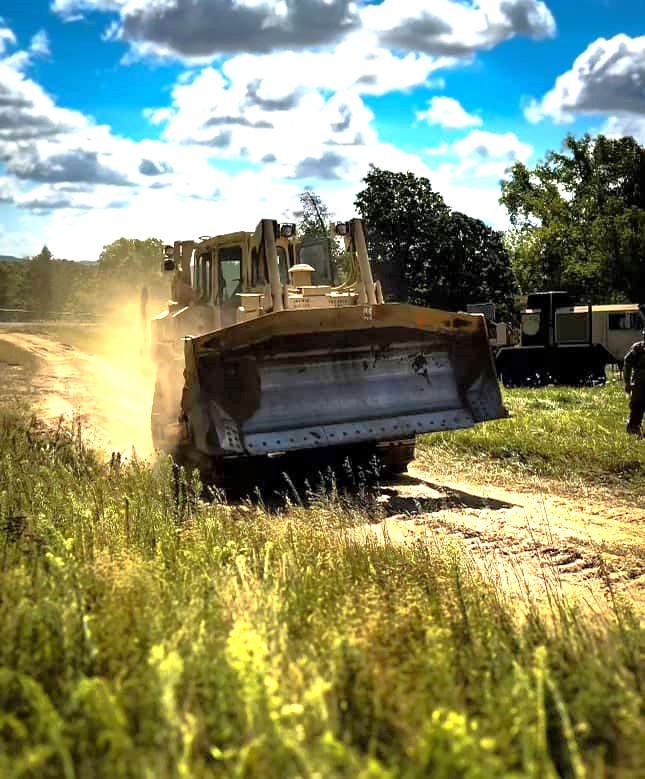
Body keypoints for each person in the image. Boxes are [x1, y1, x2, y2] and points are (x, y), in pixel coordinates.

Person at [624, 328, 645, 436]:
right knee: (637, 406)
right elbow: (627, 363)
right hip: (639, 382)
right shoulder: (638, 348)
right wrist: (627, 382)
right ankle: (633, 429)